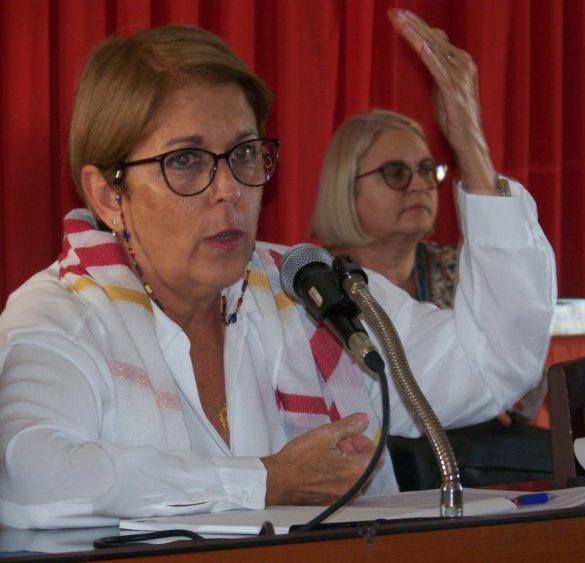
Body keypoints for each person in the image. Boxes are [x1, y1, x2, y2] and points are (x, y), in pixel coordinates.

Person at [0, 9, 556, 529]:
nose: (228, 190)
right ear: (108, 195)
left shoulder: (309, 296)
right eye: (185, 161)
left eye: (243, 154)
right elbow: (29, 477)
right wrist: (264, 482)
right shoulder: (65, 311)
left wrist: (473, 154)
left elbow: (493, 366)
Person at [309, 61, 551, 489]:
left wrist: (474, 395)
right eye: (397, 173)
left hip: (473, 470)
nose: (419, 184)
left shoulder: (464, 266)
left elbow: (522, 381)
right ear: (346, 187)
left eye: (427, 170)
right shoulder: (309, 284)